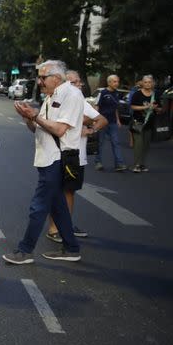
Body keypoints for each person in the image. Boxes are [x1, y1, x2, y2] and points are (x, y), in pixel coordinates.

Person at [4, 60, 84, 265]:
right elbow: (38, 129)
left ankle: (25, 250)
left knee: (39, 206)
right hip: (47, 157)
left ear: (57, 78)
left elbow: (59, 130)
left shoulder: (71, 95)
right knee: (58, 207)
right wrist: (27, 118)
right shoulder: (51, 96)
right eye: (39, 77)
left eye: (43, 77)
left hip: (58, 159)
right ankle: (72, 248)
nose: (39, 81)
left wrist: (35, 116)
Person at [46, 70, 108, 242]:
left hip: (76, 156)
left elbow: (102, 120)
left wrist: (89, 129)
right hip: (58, 153)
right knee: (58, 192)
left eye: (79, 82)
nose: (78, 85)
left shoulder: (78, 100)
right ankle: (54, 228)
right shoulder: (57, 101)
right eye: (74, 82)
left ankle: (65, 225)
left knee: (69, 192)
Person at [93, 74, 126, 172]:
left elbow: (115, 108)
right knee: (100, 143)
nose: (117, 83)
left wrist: (118, 120)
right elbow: (96, 107)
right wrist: (96, 120)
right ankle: (98, 162)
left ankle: (119, 164)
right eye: (115, 81)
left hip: (112, 122)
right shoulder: (103, 93)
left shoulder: (117, 93)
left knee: (116, 143)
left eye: (118, 81)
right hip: (102, 122)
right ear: (109, 82)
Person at [129, 75, 162, 173]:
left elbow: (160, 109)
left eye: (150, 82)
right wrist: (145, 107)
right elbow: (133, 107)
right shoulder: (137, 94)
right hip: (138, 123)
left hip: (149, 124)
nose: (148, 84)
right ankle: (136, 165)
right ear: (142, 83)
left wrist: (155, 108)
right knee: (138, 145)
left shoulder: (156, 95)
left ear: (153, 83)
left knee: (146, 146)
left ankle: (142, 164)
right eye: (146, 82)